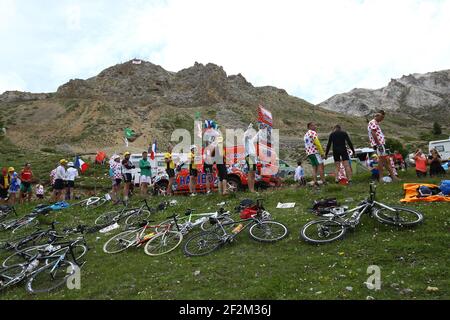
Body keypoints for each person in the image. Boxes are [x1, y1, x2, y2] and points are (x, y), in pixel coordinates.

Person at [367, 111, 400, 182]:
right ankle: (382, 178)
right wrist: (379, 144)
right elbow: (373, 133)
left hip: (380, 144)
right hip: (379, 145)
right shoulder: (373, 122)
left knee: (385, 161)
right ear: (378, 116)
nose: (382, 119)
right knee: (381, 161)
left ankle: (393, 176)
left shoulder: (375, 123)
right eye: (382, 117)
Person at [244, 124, 258, 193]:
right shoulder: (245, 138)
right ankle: (251, 189)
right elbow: (246, 136)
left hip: (252, 157)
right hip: (249, 156)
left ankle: (252, 189)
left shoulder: (251, 140)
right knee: (250, 173)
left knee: (253, 174)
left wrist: (261, 130)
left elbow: (256, 136)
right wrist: (249, 128)